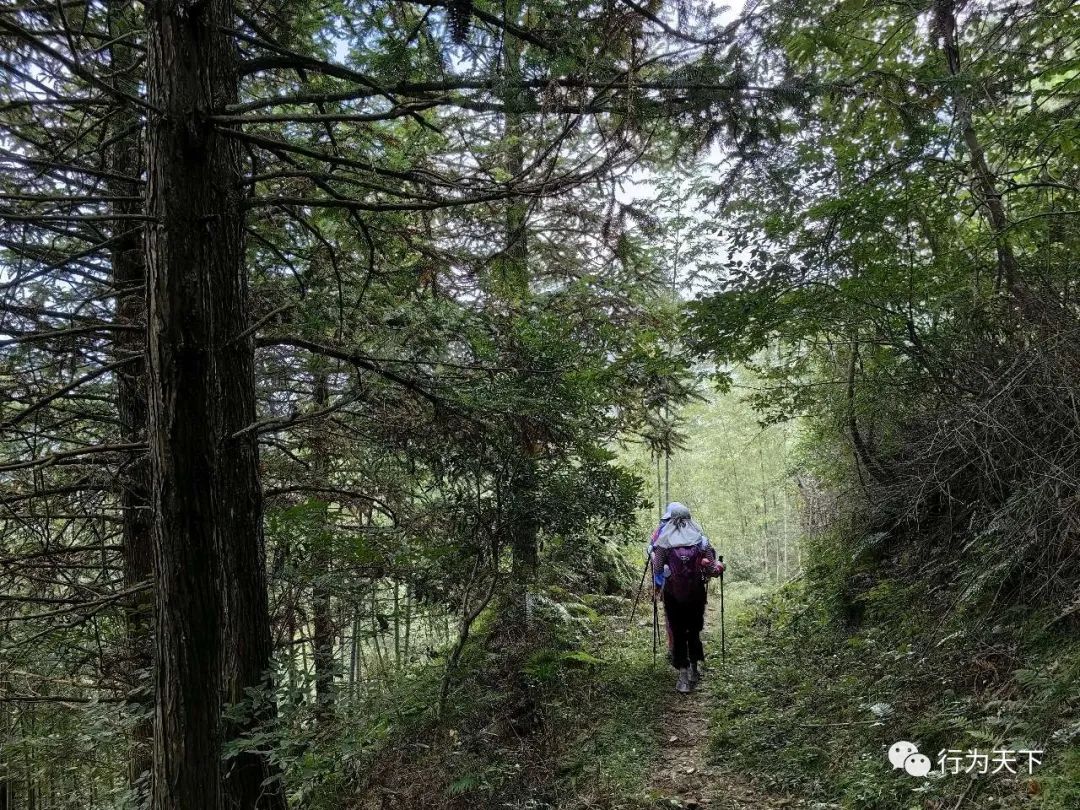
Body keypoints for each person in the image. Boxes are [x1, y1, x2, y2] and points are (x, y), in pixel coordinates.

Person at [651, 502, 725, 693]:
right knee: (693, 630)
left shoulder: (664, 543)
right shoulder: (701, 541)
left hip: (673, 594)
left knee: (677, 631)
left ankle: (683, 677)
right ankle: (694, 670)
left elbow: (658, 569)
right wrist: (720, 567)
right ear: (689, 519)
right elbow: (712, 570)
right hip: (696, 593)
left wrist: (663, 574)